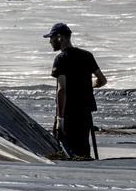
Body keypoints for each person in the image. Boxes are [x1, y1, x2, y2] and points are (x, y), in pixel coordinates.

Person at [43, 22, 107, 159]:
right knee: (83, 148)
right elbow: (102, 80)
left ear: (60, 37)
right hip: (85, 111)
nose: (50, 42)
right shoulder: (87, 56)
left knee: (66, 149)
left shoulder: (61, 59)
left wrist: (60, 119)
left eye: (52, 38)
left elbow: (62, 90)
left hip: (69, 112)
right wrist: (87, 86)